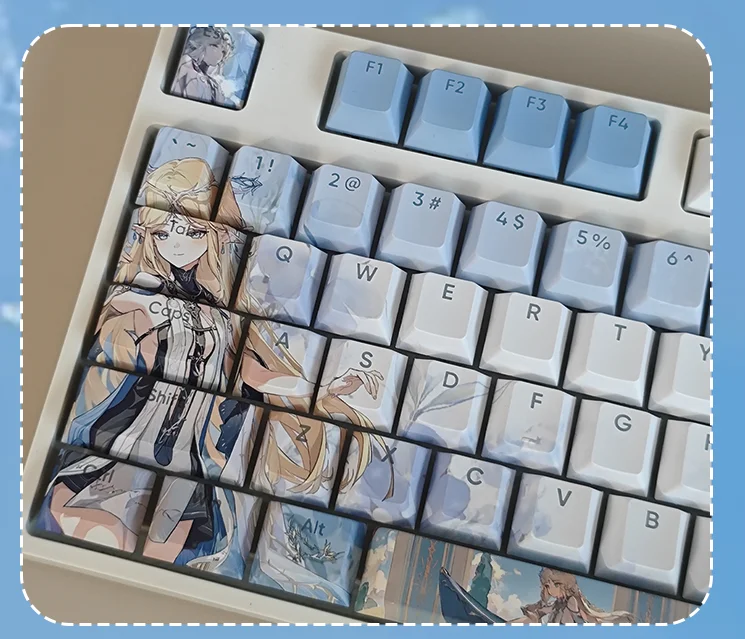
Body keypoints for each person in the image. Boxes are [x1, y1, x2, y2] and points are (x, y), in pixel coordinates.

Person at [172, 27, 234, 106]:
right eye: (215, 46)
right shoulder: (186, 66)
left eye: (223, 51)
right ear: (201, 43)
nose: (220, 54)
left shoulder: (214, 83)